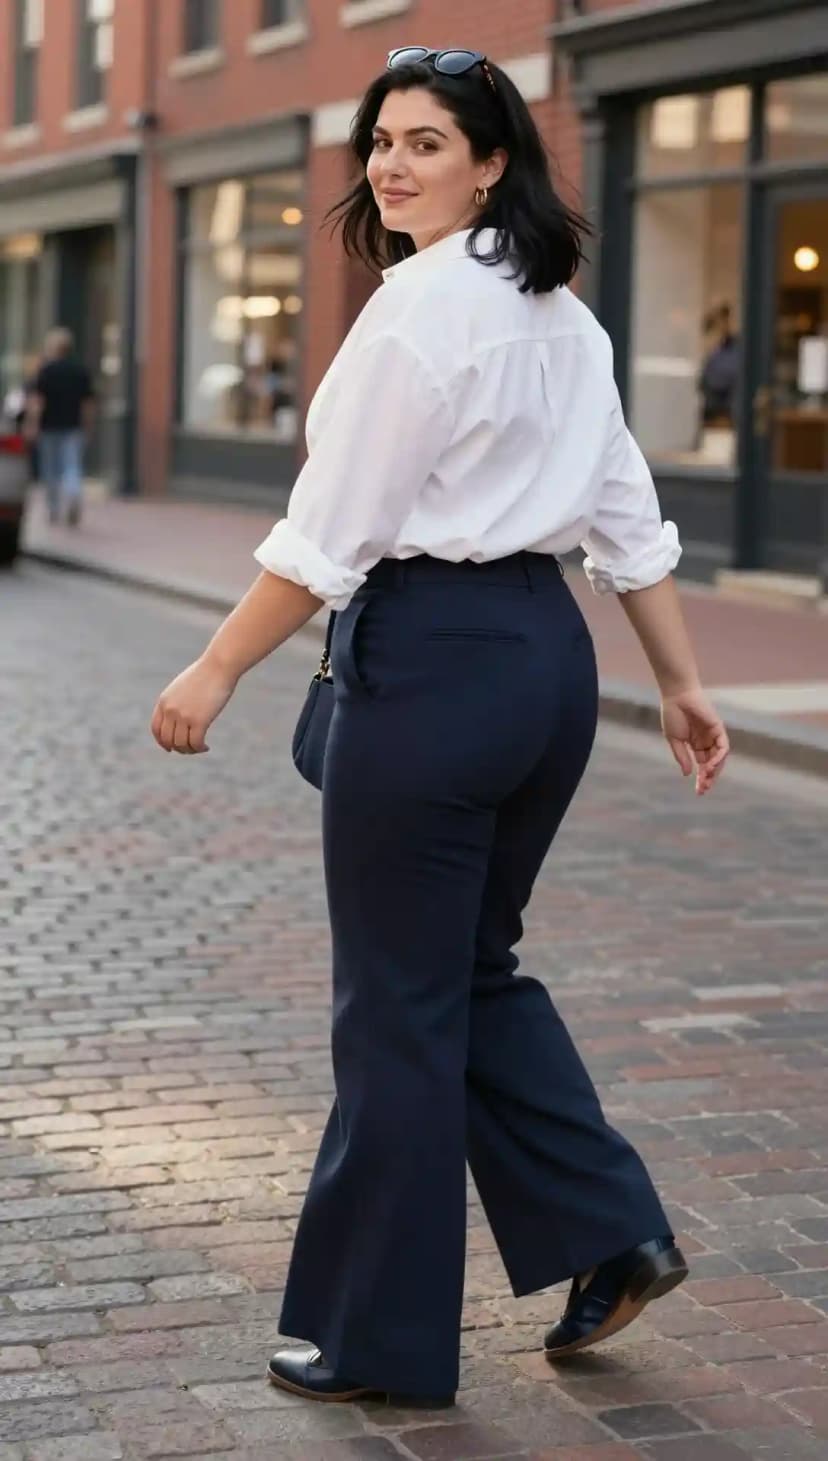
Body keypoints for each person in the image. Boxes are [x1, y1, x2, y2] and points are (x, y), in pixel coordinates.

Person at [150, 46, 730, 1408]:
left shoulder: (415, 316)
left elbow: (329, 537)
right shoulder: (563, 320)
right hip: (544, 670)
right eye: (381, 139)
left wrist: (214, 669)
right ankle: (611, 1229)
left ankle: (378, 1341)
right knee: (468, 972)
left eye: (425, 142)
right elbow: (625, 528)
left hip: (432, 667)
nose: (392, 165)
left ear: (490, 162)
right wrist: (679, 680)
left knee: (397, 1012)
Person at [26, 328, 95, 526]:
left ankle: (53, 508)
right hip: (73, 426)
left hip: (49, 427)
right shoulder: (80, 371)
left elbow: (38, 402)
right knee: (72, 466)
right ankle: (73, 494)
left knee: (51, 469)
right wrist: (88, 426)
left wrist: (33, 425)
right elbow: (88, 404)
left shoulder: (45, 371)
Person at [699, 304, 739, 427]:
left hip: (724, 415)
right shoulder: (713, 352)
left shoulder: (732, 350)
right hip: (709, 414)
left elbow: (722, 380)